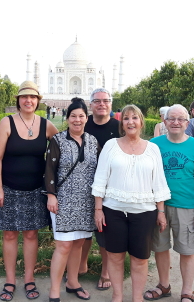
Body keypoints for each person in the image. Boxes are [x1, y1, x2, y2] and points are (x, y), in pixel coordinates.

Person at [92, 104, 172, 302]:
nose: (130, 122)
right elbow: (100, 178)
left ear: (141, 122)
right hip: (113, 211)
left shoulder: (152, 148)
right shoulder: (111, 145)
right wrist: (98, 208)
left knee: (139, 259)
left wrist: (160, 212)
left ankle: (137, 298)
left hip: (144, 213)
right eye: (126, 118)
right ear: (122, 123)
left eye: (134, 118)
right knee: (115, 257)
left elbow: (159, 181)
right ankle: (117, 297)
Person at [0, 81, 59, 301]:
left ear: (38, 101)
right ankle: (10, 280)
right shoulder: (7, 123)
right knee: (10, 234)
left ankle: (29, 279)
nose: (28, 100)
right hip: (9, 189)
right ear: (18, 100)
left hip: (35, 190)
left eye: (32, 97)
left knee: (31, 235)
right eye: (24, 97)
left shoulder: (46, 125)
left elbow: (62, 147)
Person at [146, 104, 194, 302]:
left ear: (187, 123)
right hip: (159, 206)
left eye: (180, 119)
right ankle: (164, 285)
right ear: (164, 121)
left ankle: (187, 291)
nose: (176, 122)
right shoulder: (154, 144)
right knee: (161, 247)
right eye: (172, 118)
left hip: (186, 206)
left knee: (187, 250)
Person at [45, 98, 100, 302]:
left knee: (78, 243)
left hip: (86, 200)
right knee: (63, 246)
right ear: (67, 118)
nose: (77, 120)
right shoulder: (58, 140)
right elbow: (49, 169)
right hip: (63, 200)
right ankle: (54, 290)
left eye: (81, 116)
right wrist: (51, 195)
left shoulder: (93, 141)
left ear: (87, 118)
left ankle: (73, 282)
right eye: (73, 116)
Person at [80, 87, 121, 291]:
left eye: (106, 101)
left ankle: (106, 271)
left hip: (111, 187)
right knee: (83, 230)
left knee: (104, 231)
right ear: (91, 104)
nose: (102, 104)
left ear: (110, 104)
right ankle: (81, 265)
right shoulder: (83, 124)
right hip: (84, 184)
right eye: (97, 101)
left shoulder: (119, 126)